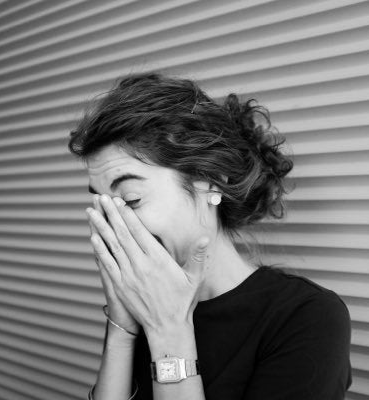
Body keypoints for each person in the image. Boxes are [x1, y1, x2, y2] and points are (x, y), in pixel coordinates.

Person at [68, 72, 352, 400]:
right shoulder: (144, 295)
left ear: (211, 180)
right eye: (102, 205)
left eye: (131, 199)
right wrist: (121, 329)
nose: (114, 225)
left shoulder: (307, 318)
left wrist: (168, 330)